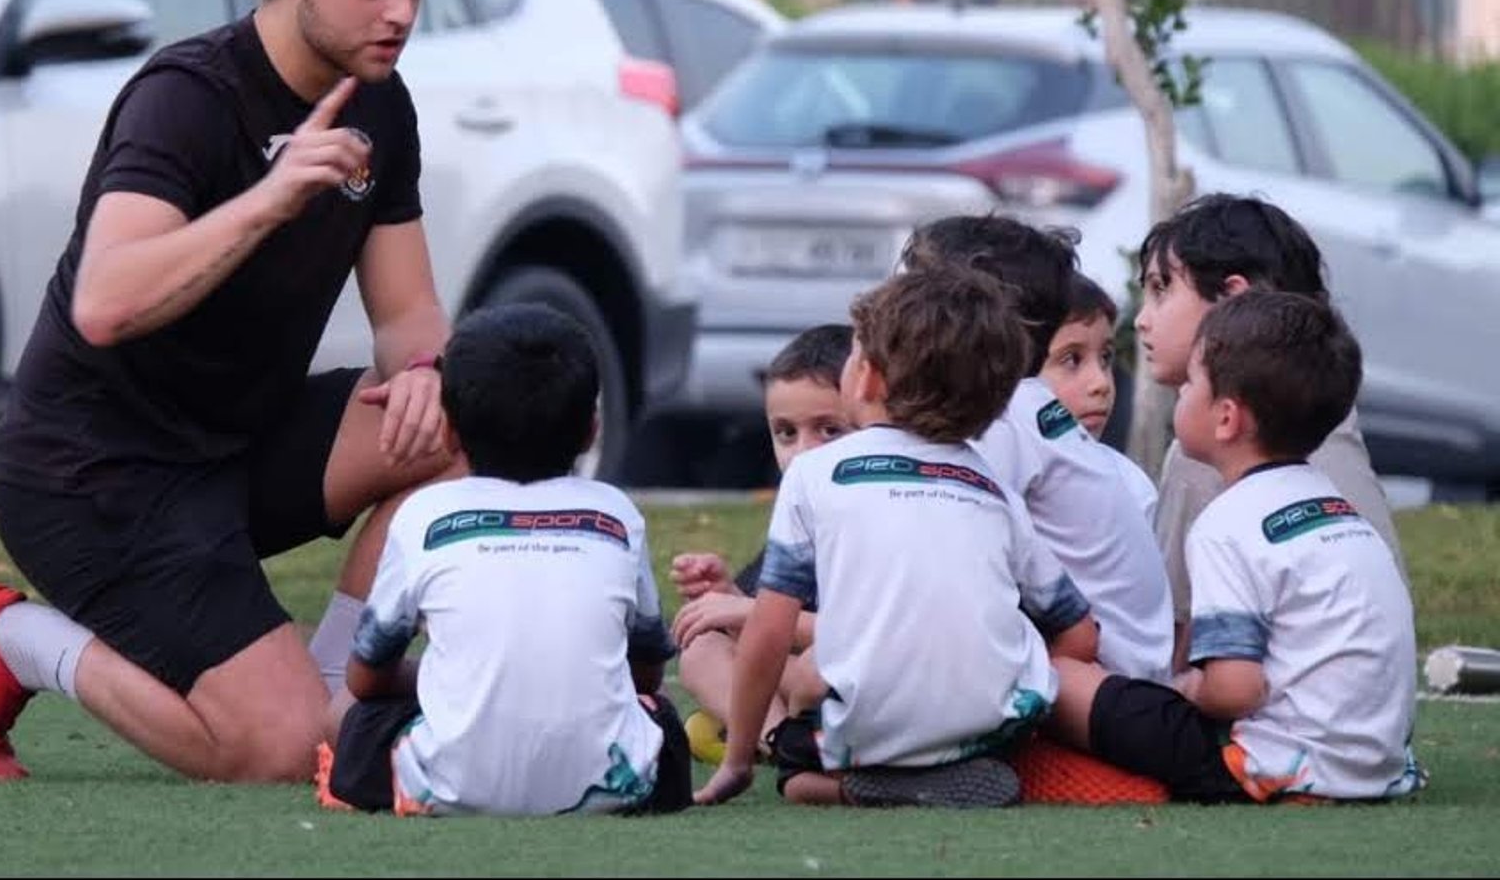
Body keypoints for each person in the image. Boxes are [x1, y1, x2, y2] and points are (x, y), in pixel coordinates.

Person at [0, 0, 467, 784]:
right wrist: (268, 197)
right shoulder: (187, 97)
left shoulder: (381, 102)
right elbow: (105, 301)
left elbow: (407, 317)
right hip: (94, 477)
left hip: (236, 449)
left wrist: (428, 375)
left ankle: (340, 686)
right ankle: (7, 638)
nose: (402, 11)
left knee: (458, 426)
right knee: (272, 751)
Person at [697, 265, 1100, 811]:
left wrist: (738, 761)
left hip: (861, 732)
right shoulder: (995, 490)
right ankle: (949, 762)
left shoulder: (814, 475)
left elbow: (769, 633)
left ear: (867, 377)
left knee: (790, 760)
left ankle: (829, 777)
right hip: (994, 728)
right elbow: (1078, 631)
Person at [1047, 291, 1425, 804]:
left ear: (1225, 418)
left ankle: (1054, 770)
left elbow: (1235, 690)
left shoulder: (1227, 525)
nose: (1181, 393)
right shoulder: (1337, 508)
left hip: (1274, 768)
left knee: (1064, 678)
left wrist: (1184, 689)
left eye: (1191, 383)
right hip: (1376, 767)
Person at [316, 303, 691, 816]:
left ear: (448, 432)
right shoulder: (615, 513)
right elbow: (646, 675)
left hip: (443, 786)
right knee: (662, 720)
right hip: (613, 787)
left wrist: (447, 674)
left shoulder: (424, 513)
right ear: (591, 430)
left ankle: (406, 784)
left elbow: (365, 680)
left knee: (341, 713)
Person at [1135, 194, 1408, 671]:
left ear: (1232, 298)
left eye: (1161, 289)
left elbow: (1172, 642)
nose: (1141, 318)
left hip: (1269, 727)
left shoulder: (1212, 447)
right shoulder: (1327, 423)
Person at [902, 215, 1173, 682]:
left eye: (915, 298)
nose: (900, 312)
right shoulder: (1028, 406)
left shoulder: (1005, 416)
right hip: (1125, 667)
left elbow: (949, 555)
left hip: (1101, 676)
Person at [670, 323, 851, 764]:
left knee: (815, 670)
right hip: (819, 690)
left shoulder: (882, 514)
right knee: (702, 650)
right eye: (786, 433)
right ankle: (780, 742)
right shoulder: (798, 515)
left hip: (877, 678)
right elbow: (768, 635)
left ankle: (754, 732)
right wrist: (727, 598)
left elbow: (868, 638)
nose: (802, 453)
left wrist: (748, 611)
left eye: (829, 431)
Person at [1039, 273, 1157, 526]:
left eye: (1105, 358)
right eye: (1072, 360)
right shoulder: (986, 484)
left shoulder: (1131, 490)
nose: (1101, 383)